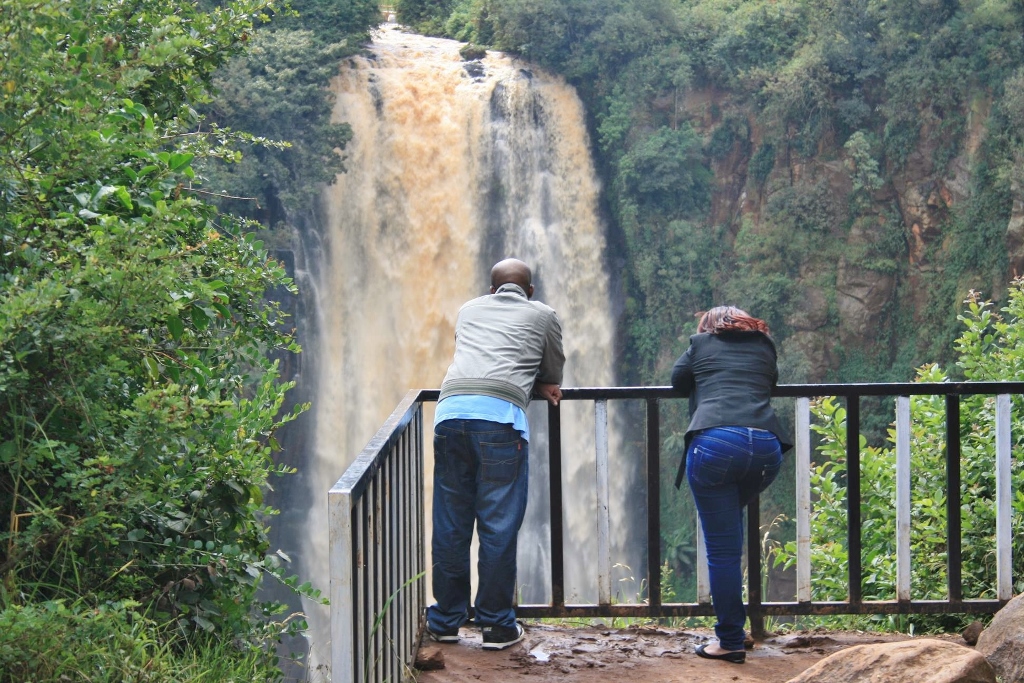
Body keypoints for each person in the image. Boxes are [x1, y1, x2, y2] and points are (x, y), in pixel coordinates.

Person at [426, 258, 565, 650]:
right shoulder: (542, 314)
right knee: (498, 525)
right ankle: (496, 625)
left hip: (451, 415)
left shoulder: (469, 309)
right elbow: (553, 371)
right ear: (530, 291)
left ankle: (446, 620)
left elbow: (477, 357)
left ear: (491, 290)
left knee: (451, 523)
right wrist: (538, 385)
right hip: (500, 422)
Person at [670, 306, 793, 664]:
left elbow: (679, 381)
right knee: (730, 532)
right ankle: (738, 628)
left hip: (716, 446)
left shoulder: (700, 343)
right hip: (767, 449)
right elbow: (770, 383)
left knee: (723, 551)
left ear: (708, 327)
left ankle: (730, 640)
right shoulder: (765, 345)